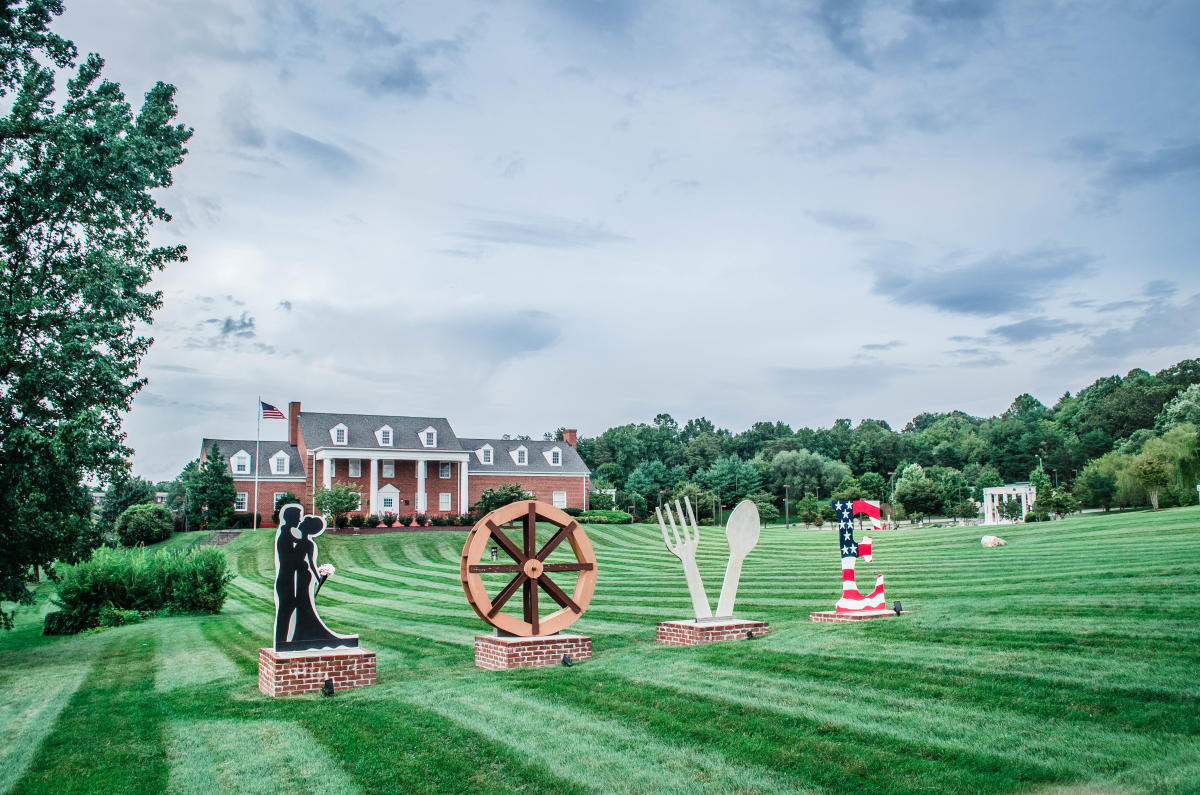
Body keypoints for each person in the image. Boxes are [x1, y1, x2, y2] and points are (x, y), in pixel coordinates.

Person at [273, 504, 358, 652]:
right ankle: (282, 642)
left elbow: (311, 564)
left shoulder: (301, 540)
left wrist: (320, 578)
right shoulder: (287, 534)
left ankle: (289, 640)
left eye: (303, 520)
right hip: (290, 579)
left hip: (301, 578)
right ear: (291, 517)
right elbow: (290, 558)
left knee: (295, 607)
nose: (300, 521)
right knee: (287, 608)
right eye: (299, 518)